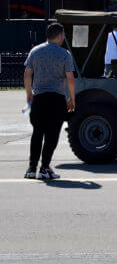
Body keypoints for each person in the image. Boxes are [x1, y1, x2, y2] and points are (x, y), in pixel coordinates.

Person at [23, 22, 76, 180]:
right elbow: (70, 79)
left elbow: (27, 74)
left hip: (39, 98)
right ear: (59, 35)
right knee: (52, 135)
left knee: (37, 133)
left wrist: (29, 94)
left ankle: (31, 168)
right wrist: (72, 98)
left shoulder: (35, 51)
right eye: (63, 35)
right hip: (56, 99)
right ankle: (45, 168)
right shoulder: (65, 54)